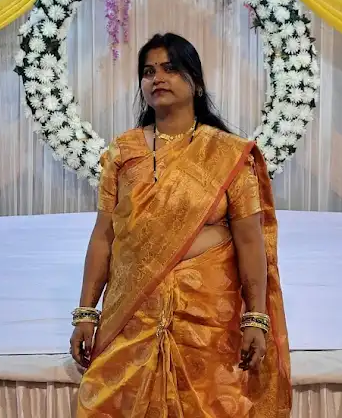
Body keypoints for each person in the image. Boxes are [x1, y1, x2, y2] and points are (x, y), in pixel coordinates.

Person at [71, 33, 291, 417]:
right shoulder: (123, 152)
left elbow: (250, 242)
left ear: (197, 83)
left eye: (170, 68)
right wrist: (86, 313)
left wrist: (255, 318)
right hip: (133, 312)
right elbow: (104, 236)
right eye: (148, 71)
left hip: (208, 319)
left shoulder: (228, 154)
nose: (157, 78)